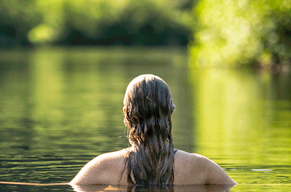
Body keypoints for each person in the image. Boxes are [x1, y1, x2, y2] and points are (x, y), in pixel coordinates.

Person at [70, 74, 236, 186]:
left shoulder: (101, 167)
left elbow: (75, 190)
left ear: (126, 116)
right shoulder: (202, 167)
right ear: (170, 113)